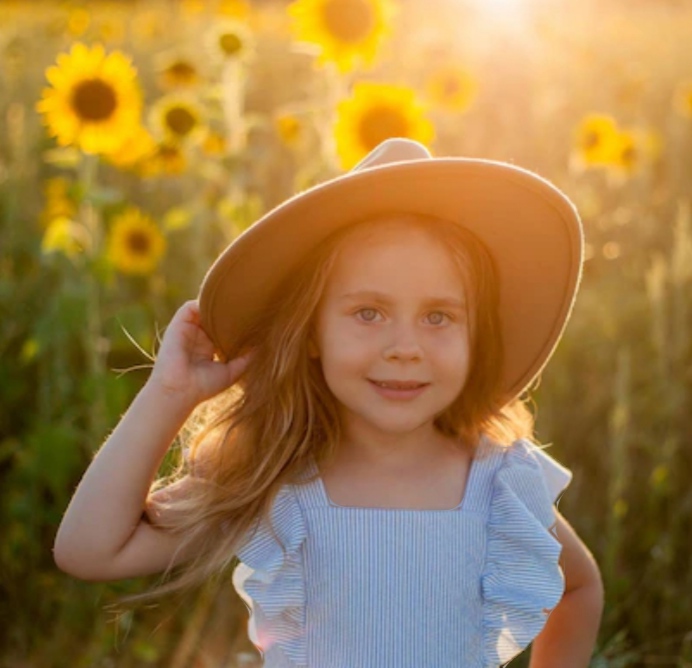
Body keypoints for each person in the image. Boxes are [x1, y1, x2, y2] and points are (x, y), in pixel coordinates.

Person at [54, 138, 604, 667]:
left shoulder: (498, 482)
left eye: (438, 317)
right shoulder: (275, 477)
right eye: (369, 313)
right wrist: (169, 395)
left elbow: (578, 586)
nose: (405, 349)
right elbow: (89, 551)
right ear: (312, 333)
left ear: (475, 336)